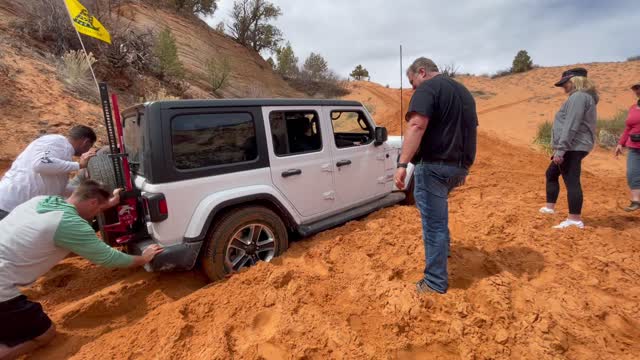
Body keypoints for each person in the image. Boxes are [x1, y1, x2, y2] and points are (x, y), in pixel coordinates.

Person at [0, 180, 163, 359]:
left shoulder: (41, 201)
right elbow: (109, 258)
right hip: (2, 287)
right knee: (44, 334)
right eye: (98, 210)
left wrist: (107, 202)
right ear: (93, 202)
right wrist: (143, 258)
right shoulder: (69, 224)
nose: (96, 215)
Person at [394, 57, 478, 295]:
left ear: (422, 72)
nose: (413, 88)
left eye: (412, 82)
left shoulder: (428, 88)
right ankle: (445, 249)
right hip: (459, 167)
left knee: (433, 225)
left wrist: (402, 164)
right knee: (437, 213)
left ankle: (434, 281)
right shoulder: (464, 92)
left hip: (434, 166)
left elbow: (416, 125)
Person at [539, 68, 599, 229]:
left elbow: (571, 125)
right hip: (574, 145)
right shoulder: (584, 97)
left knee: (571, 180)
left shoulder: (579, 97)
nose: (563, 87)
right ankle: (549, 208)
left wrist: (560, 149)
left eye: (565, 83)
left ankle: (574, 219)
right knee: (551, 173)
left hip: (573, 145)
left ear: (574, 81)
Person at [0, 126, 98, 221]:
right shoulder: (56, 141)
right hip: (9, 205)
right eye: (89, 147)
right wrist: (78, 165)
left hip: (18, 209)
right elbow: (40, 164)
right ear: (86, 142)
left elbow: (58, 188)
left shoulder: (64, 152)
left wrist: (88, 194)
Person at [615, 82, 640, 212]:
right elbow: (628, 127)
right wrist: (620, 143)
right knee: (632, 173)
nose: (637, 90)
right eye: (635, 88)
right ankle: (636, 201)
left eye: (639, 88)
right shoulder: (633, 108)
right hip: (634, 147)